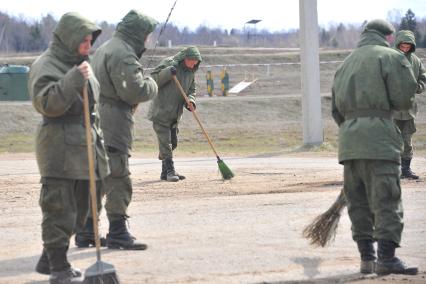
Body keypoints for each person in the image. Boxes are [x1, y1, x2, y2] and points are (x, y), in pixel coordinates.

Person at [331, 19, 418, 276]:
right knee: (386, 199)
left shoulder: (345, 63)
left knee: (358, 201)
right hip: (379, 139)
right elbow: (404, 98)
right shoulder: (392, 58)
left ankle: (366, 259)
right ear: (388, 37)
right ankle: (387, 259)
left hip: (349, 141)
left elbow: (336, 111)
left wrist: (354, 125)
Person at [28, 12, 109, 283]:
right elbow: (47, 104)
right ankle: (58, 266)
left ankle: (47, 258)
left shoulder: (82, 62)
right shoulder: (46, 64)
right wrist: (73, 79)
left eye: (90, 41)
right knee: (59, 208)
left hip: (87, 145)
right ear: (70, 39)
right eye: (83, 41)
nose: (88, 46)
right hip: (59, 148)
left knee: (84, 207)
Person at [75, 10, 158, 250]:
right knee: (118, 176)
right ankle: (118, 232)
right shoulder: (123, 53)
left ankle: (87, 231)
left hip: (96, 118)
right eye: (147, 34)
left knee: (97, 177)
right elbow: (134, 91)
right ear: (138, 33)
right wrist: (151, 84)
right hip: (112, 122)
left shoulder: (106, 48)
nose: (148, 39)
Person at [147, 46, 202, 182]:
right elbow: (153, 80)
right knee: (166, 143)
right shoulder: (169, 63)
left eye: (196, 61)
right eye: (192, 61)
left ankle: (164, 172)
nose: (194, 64)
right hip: (161, 111)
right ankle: (170, 171)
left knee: (173, 143)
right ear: (185, 58)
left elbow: (191, 90)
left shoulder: (190, 73)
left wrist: (191, 101)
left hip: (175, 115)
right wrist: (168, 72)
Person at [392, 30, 426, 180]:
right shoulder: (388, 59)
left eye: (408, 46)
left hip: (409, 109)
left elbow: (423, 78)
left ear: (411, 46)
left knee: (407, 140)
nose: (405, 49)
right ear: (398, 44)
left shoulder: (416, 61)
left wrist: (419, 87)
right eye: (402, 46)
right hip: (391, 109)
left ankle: (406, 169)